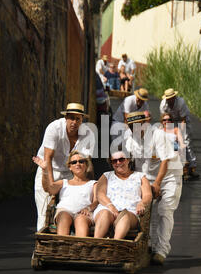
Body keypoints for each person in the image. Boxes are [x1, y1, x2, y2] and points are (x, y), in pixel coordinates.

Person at [124, 111, 183, 265]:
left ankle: (161, 251)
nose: (135, 129)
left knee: (165, 210)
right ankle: (147, 245)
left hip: (170, 176)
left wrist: (157, 184)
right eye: (131, 126)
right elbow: (134, 166)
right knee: (144, 211)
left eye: (138, 125)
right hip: (148, 177)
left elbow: (165, 162)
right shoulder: (130, 140)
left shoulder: (158, 135)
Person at [34, 103, 94, 231]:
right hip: (48, 168)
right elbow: (48, 157)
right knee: (45, 211)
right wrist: (50, 184)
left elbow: (85, 162)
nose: (74, 122)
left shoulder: (88, 134)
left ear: (82, 120)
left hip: (70, 172)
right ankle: (40, 248)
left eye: (78, 119)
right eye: (71, 118)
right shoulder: (54, 128)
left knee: (72, 209)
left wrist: (90, 185)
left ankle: (67, 244)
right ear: (65, 118)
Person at [33, 151, 97, 237]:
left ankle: (80, 247)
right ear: (70, 167)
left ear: (86, 165)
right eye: (74, 162)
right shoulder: (64, 182)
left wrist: (88, 208)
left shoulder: (93, 183)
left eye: (81, 161)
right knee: (64, 216)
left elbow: (97, 201)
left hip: (84, 213)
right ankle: (62, 246)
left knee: (80, 219)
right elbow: (48, 189)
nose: (77, 164)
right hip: (65, 211)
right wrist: (45, 171)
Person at [93, 151, 152, 240]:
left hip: (130, 211)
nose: (118, 163)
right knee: (104, 213)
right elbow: (100, 194)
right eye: (114, 161)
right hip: (107, 208)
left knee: (125, 216)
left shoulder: (140, 176)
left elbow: (148, 195)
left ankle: (115, 245)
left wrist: (142, 203)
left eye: (121, 159)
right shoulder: (106, 176)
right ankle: (96, 244)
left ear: (128, 159)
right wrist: (111, 207)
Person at [160, 88, 199, 179]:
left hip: (182, 121)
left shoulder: (181, 102)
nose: (170, 100)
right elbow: (164, 119)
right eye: (168, 99)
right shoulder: (163, 105)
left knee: (186, 142)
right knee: (171, 141)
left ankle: (191, 167)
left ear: (174, 97)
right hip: (170, 120)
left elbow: (183, 119)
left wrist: (180, 134)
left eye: (172, 98)